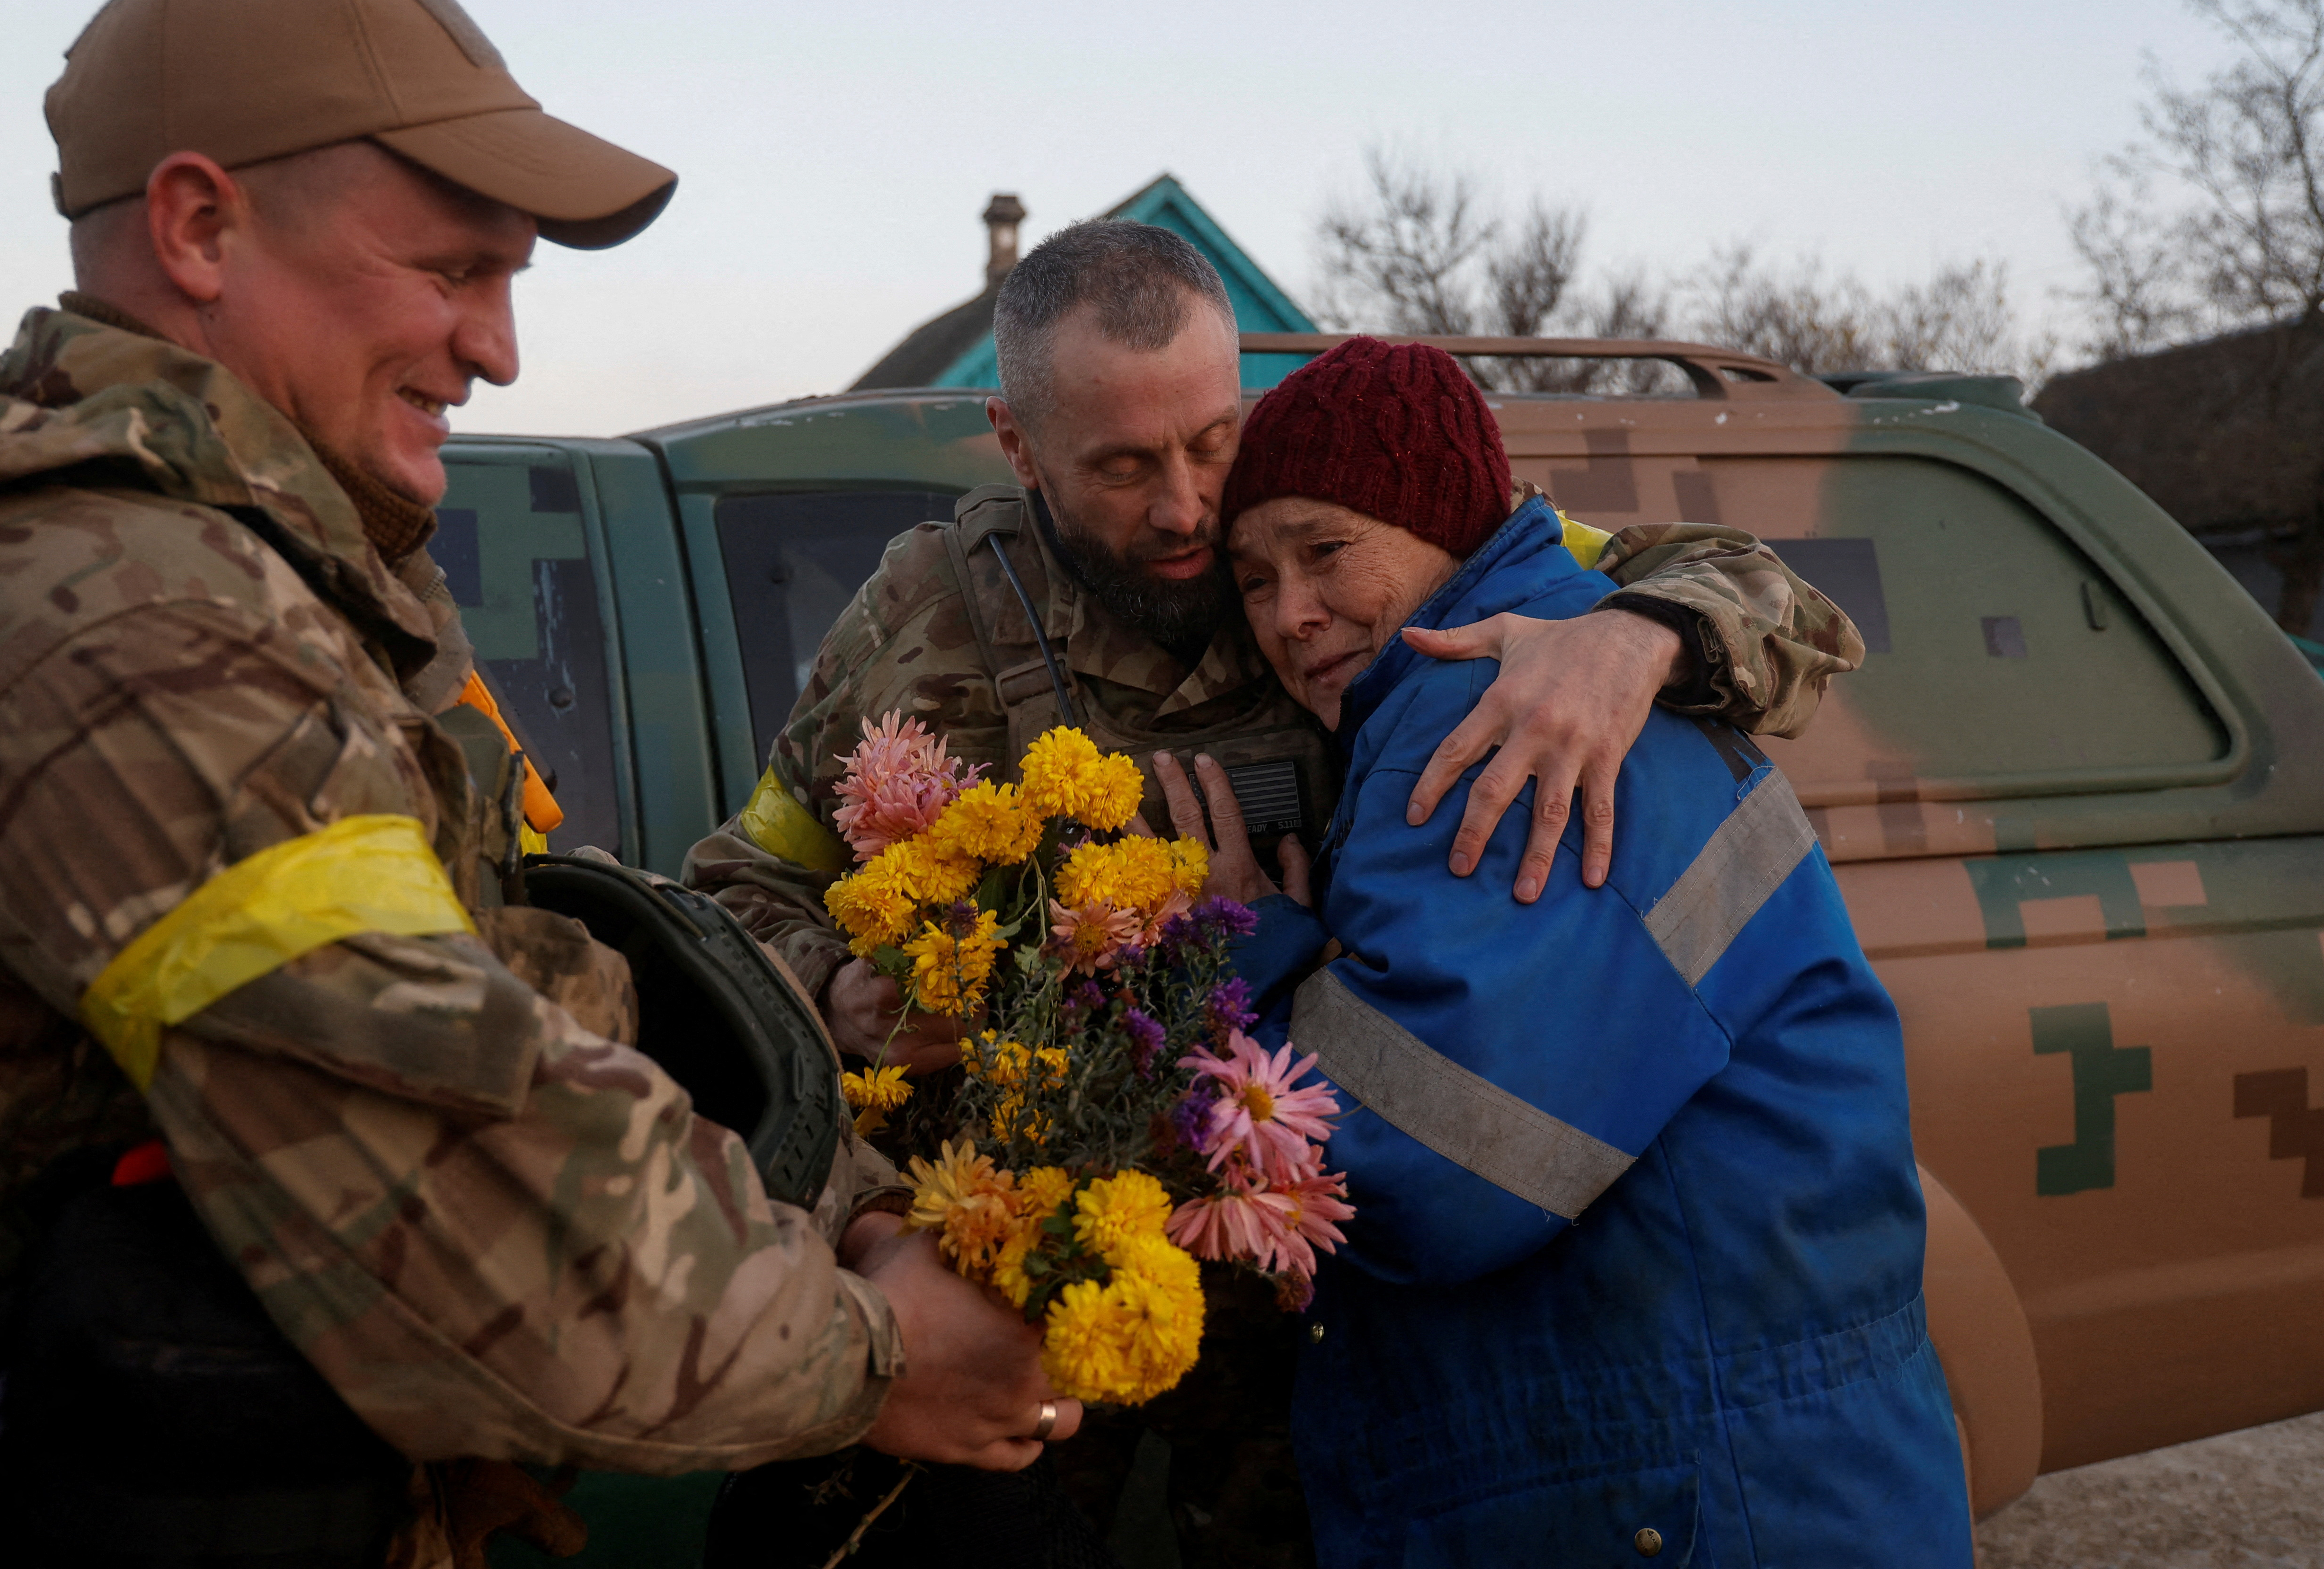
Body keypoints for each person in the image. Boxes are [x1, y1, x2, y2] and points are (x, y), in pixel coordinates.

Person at [0, 0, 1072, 1569]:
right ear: (200, 225)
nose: (500, 350)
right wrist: (880, 1353)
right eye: (450, 270)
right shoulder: (112, 627)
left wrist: (842, 1189)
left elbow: (519, 972)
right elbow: (461, 1170)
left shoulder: (262, 560)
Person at [683, 225, 1868, 1561]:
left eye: (1210, 442)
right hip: (1031, 1319)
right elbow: (735, 888)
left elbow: (1783, 607)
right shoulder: (923, 613)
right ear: (1018, 446)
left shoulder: (1349, 544)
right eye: (1126, 468)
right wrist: (842, 997)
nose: (1188, 508)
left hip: (1330, 1328)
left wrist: (1635, 636)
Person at [1177, 336, 1969, 1567]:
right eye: (1253, 575)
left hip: (1694, 1497)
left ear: (1444, 525)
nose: (1290, 613)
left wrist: (1243, 959)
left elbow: (1425, 1169)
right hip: (1738, 1470)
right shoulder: (1545, 658)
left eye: (1328, 549)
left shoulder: (1494, 714)